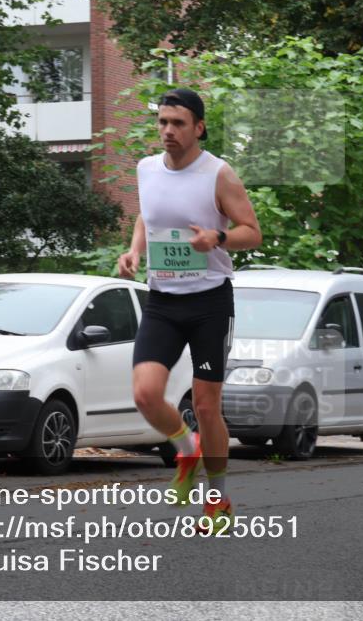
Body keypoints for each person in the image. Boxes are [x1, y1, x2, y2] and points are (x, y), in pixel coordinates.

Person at [118, 88, 262, 534]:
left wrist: (215, 240)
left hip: (208, 302)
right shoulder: (146, 169)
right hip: (162, 300)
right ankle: (186, 450)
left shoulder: (218, 174)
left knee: (205, 404)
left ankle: (216, 497)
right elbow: (148, 216)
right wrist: (134, 251)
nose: (167, 131)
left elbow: (251, 232)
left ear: (198, 127)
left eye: (177, 123)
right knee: (145, 393)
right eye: (162, 122)